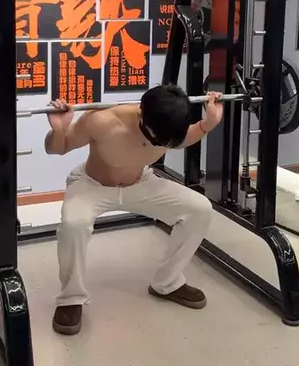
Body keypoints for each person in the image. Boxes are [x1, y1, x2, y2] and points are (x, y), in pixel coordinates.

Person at [45, 85, 224, 335]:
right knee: (74, 224)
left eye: (165, 142)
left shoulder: (171, 126)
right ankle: (71, 298)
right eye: (154, 138)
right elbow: (57, 148)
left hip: (140, 183)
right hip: (93, 185)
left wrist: (207, 124)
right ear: (141, 114)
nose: (157, 144)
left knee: (200, 209)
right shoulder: (101, 120)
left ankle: (167, 283)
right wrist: (59, 129)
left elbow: (186, 137)